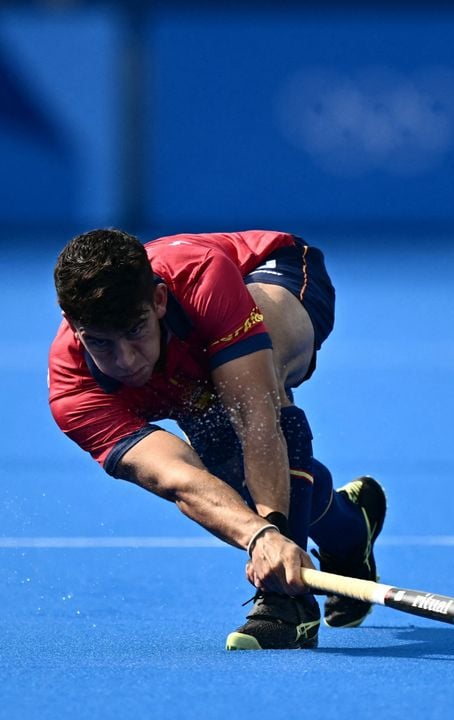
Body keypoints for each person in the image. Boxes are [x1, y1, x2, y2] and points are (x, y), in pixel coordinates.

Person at [49, 229, 386, 650]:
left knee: (264, 389)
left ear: (157, 302)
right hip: (192, 353)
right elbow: (181, 480)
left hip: (262, 276)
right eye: (100, 342)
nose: (126, 361)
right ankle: (351, 526)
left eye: (135, 331)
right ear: (71, 320)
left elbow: (257, 417)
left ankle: (286, 604)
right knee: (230, 482)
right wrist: (261, 538)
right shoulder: (74, 392)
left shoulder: (201, 278)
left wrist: (277, 531)